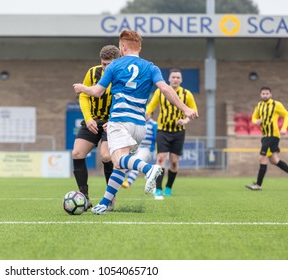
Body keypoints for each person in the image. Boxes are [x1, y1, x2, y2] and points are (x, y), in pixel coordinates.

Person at [73, 30, 198, 214]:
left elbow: (97, 91)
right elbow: (165, 89)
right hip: (140, 126)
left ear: (122, 47)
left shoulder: (115, 66)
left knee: (117, 159)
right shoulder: (151, 67)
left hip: (119, 121)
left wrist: (82, 87)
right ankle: (105, 203)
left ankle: (149, 169)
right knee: (119, 165)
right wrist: (185, 109)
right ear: (140, 47)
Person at [72, 45, 120, 210]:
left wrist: (114, 120)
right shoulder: (92, 72)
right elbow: (84, 95)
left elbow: (124, 100)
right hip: (93, 121)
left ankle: (110, 197)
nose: (106, 68)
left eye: (110, 64)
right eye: (104, 64)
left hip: (112, 122)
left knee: (106, 156)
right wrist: (89, 118)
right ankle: (84, 197)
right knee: (77, 153)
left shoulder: (122, 76)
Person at [145, 68, 198, 200]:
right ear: (169, 79)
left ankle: (168, 187)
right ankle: (158, 189)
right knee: (161, 158)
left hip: (178, 133)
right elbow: (150, 107)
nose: (175, 79)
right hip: (162, 130)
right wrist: (145, 115)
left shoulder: (187, 94)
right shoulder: (160, 92)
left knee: (174, 162)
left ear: (181, 80)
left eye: (178, 77)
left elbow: (194, 113)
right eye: (173, 77)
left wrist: (184, 120)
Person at [245, 86, 288, 191]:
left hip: (273, 135)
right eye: (263, 93)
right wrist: (255, 121)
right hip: (265, 136)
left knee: (262, 158)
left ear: (271, 94)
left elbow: (287, 115)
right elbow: (253, 117)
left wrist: (284, 128)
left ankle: (258, 184)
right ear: (260, 95)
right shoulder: (259, 105)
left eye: (267, 93)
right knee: (274, 160)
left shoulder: (276, 104)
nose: (265, 95)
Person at [121, 118, 158, 189]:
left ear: (151, 114)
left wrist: (147, 137)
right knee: (130, 164)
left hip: (147, 149)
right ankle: (150, 174)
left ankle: (128, 183)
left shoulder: (153, 124)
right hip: (138, 148)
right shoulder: (141, 123)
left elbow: (157, 137)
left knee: (137, 162)